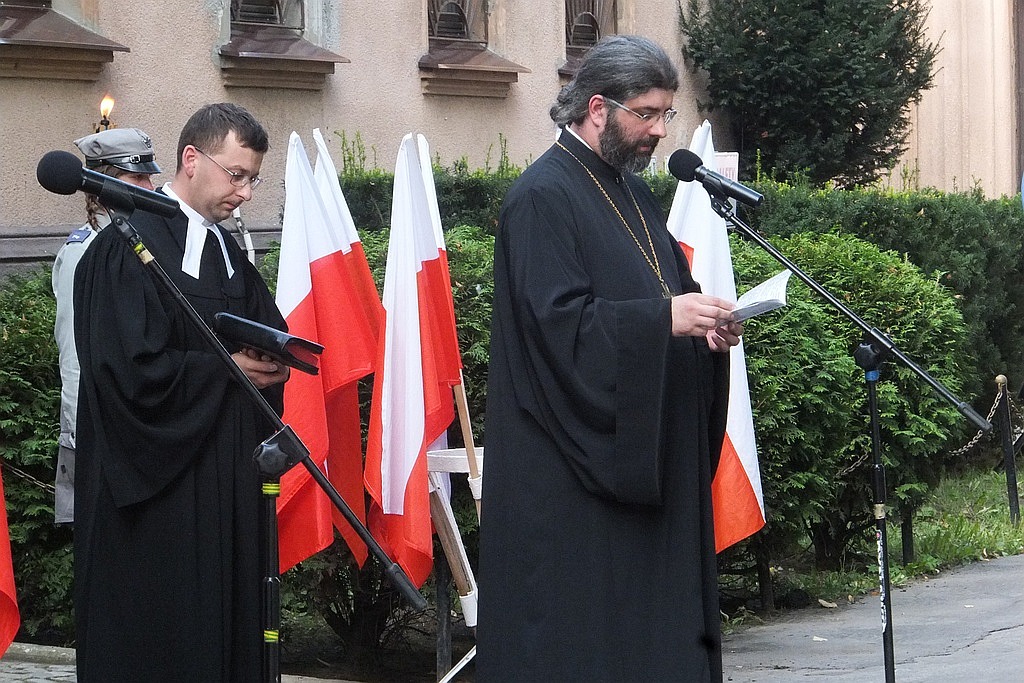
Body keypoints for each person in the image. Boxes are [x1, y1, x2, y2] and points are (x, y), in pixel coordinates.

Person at [476, 35, 743, 682]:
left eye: (665, 115)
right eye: (645, 114)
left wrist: (705, 330)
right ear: (598, 108)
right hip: (569, 480)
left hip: (644, 460)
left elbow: (664, 296)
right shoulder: (542, 197)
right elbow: (557, 329)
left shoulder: (628, 191)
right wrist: (664, 320)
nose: (658, 131)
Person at [72, 103, 289, 681]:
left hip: (228, 484)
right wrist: (227, 371)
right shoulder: (125, 246)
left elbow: (264, 336)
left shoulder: (227, 253)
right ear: (192, 159)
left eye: (253, 179)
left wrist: (277, 362)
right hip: (158, 501)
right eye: (236, 175)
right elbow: (127, 374)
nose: (245, 193)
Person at [51, 127, 163, 525]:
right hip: (98, 429)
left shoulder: (137, 241)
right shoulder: (84, 253)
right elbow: (75, 353)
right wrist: (78, 434)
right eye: (138, 178)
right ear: (104, 184)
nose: (151, 188)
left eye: (150, 176)